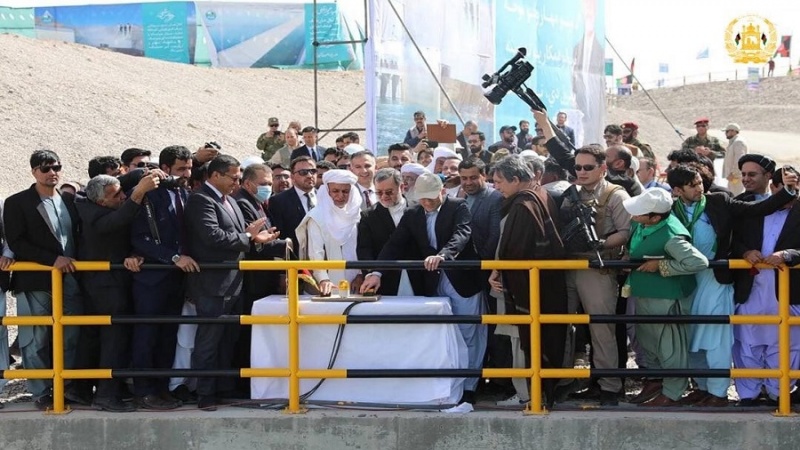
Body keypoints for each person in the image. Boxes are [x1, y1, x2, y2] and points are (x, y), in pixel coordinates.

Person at [663, 165, 798, 407]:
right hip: (684, 281)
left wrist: (788, 190)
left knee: (715, 337)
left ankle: (718, 393)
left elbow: (758, 208)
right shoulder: (670, 210)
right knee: (690, 336)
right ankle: (702, 387)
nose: (699, 188)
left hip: (715, 280)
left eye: (699, 182)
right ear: (677, 190)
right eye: (692, 185)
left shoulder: (718, 201)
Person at [360, 172, 486, 404]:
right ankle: (447, 385)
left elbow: (462, 234)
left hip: (461, 280)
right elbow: (394, 245)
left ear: (442, 192)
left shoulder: (458, 207)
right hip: (432, 283)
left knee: (468, 332)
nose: (426, 203)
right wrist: (376, 272)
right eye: (422, 198)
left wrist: (443, 255)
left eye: (430, 197)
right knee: (441, 334)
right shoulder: (413, 214)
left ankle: (469, 386)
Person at [184, 155, 279, 411]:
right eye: (234, 178)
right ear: (216, 175)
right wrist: (249, 236)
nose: (237, 183)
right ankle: (205, 394)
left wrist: (256, 237)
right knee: (209, 340)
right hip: (212, 284)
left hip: (234, 282)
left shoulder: (231, 201)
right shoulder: (201, 199)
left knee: (229, 339)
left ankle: (224, 389)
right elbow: (213, 236)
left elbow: (240, 234)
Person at [4, 150, 85, 410]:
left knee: (71, 335)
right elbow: (17, 242)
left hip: (70, 279)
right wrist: (53, 260)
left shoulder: (69, 201)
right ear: (34, 172)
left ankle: (66, 387)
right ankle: (40, 392)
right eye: (45, 168)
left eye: (56, 167)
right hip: (35, 281)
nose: (52, 172)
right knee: (35, 338)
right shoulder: (17, 202)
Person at [488, 155, 568, 408]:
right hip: (543, 285)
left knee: (522, 339)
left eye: (499, 181)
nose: (496, 187)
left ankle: (528, 395)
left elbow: (517, 252)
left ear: (515, 179)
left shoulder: (524, 205)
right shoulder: (539, 194)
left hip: (525, 287)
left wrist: (499, 270)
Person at [76, 173, 160, 412]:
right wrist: (139, 192)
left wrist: (143, 174)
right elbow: (118, 221)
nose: (123, 196)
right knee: (114, 341)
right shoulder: (95, 215)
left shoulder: (93, 204)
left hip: (104, 285)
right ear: (101, 201)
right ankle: (106, 395)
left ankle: (82, 390)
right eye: (116, 195)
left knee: (97, 340)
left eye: (123, 191)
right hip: (107, 288)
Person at [622, 188, 709, 406]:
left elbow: (699, 262)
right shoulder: (643, 224)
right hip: (646, 294)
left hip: (667, 298)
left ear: (655, 217)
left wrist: (661, 265)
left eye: (639, 212)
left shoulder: (671, 235)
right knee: (649, 342)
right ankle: (655, 381)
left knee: (670, 348)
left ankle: (672, 393)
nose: (633, 215)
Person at [128, 145, 196, 410]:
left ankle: (161, 387)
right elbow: (138, 237)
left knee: (168, 335)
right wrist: (173, 257)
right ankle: (144, 391)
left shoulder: (184, 193)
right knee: (147, 335)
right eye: (181, 169)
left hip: (176, 279)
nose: (186, 174)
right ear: (165, 168)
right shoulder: (148, 195)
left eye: (189, 168)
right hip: (151, 278)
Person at [731, 167, 800, 406]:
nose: (788, 194)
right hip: (752, 288)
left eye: (793, 188)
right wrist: (745, 252)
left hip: (787, 290)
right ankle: (748, 394)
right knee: (747, 341)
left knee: (786, 342)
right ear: (773, 187)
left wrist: (787, 255)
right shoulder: (754, 210)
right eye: (783, 188)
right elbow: (734, 241)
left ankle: (778, 392)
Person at [296, 170, 362, 295]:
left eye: (345, 191)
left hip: (355, 284)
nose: (340, 196)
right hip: (326, 284)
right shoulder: (317, 216)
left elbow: (361, 248)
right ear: (327, 191)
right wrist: (323, 279)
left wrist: (360, 274)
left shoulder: (356, 215)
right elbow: (315, 252)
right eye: (335, 191)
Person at [356, 168, 421, 296]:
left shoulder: (418, 210)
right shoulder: (369, 216)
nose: (384, 197)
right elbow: (365, 250)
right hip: (386, 279)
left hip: (419, 276)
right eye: (379, 193)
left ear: (401, 187)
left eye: (389, 192)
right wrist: (371, 274)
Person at [268, 156, 317, 251]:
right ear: (292, 176)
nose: (309, 175)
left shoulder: (325, 197)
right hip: (296, 255)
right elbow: (279, 235)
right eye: (303, 172)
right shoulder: (279, 201)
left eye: (313, 171)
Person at [722, 124, 748, 196]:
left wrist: (734, 173)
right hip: (733, 177)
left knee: (736, 196)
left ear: (733, 131)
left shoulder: (738, 142)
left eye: (727, 131)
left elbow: (739, 159)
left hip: (736, 177)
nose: (725, 134)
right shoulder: (734, 142)